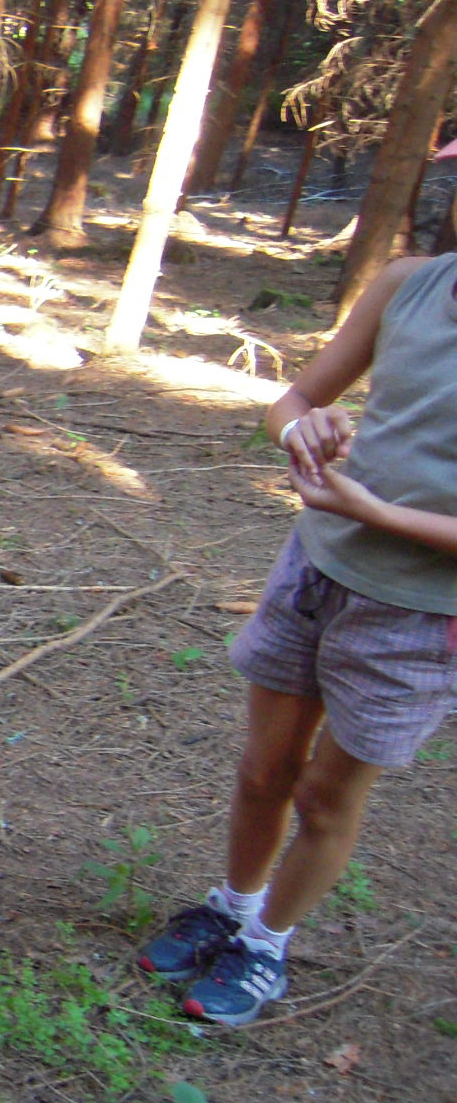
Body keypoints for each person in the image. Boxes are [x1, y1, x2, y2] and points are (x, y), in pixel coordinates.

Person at [137, 252, 457, 1025]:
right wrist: (302, 430)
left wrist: (377, 514)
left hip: (419, 616)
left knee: (323, 798)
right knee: (263, 771)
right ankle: (232, 905)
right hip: (314, 571)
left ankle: (266, 944)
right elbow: (294, 401)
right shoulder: (410, 284)